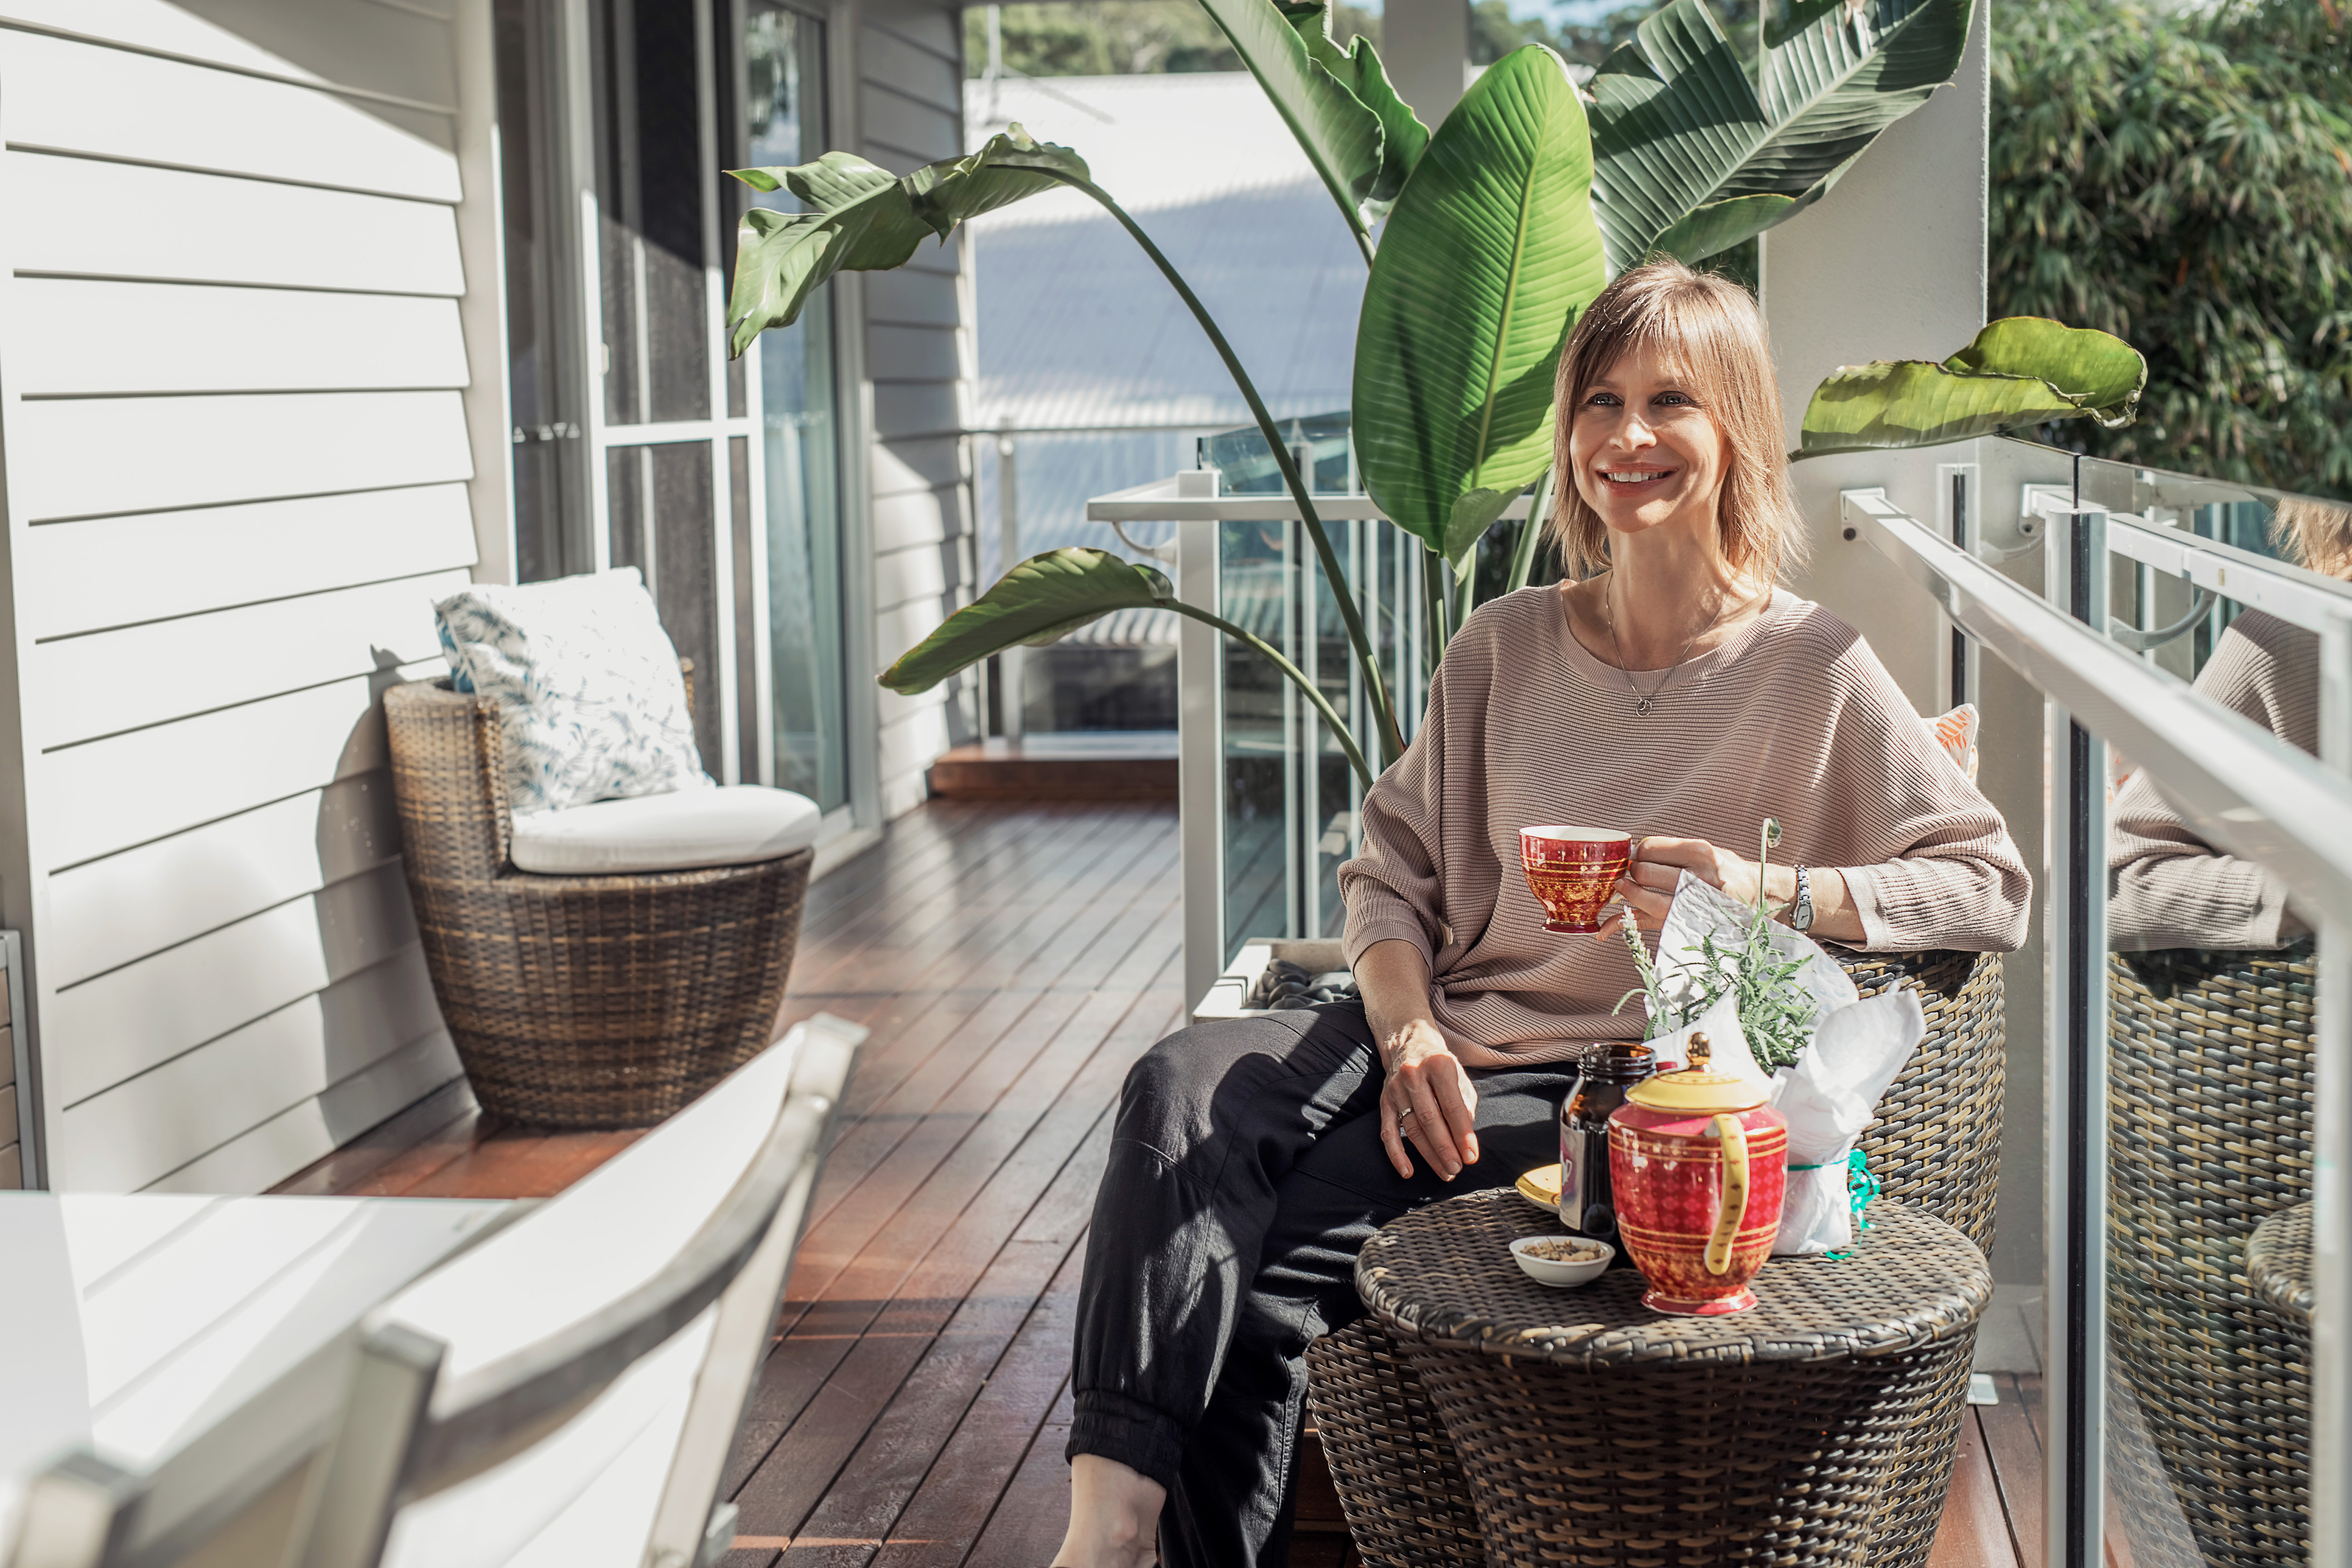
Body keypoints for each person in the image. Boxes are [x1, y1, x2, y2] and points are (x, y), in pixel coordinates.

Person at [1052, 259, 2033, 1568]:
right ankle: (1100, 1531)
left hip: (1598, 1088)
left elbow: (1989, 884)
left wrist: (1767, 889)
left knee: (1263, 1265)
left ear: (1734, 425)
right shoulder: (1502, 645)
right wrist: (1408, 1039)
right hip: (1423, 1031)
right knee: (1179, 1084)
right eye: (1601, 402)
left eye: (1670, 401)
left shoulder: (1817, 667)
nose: (1627, 438)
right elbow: (1386, 874)